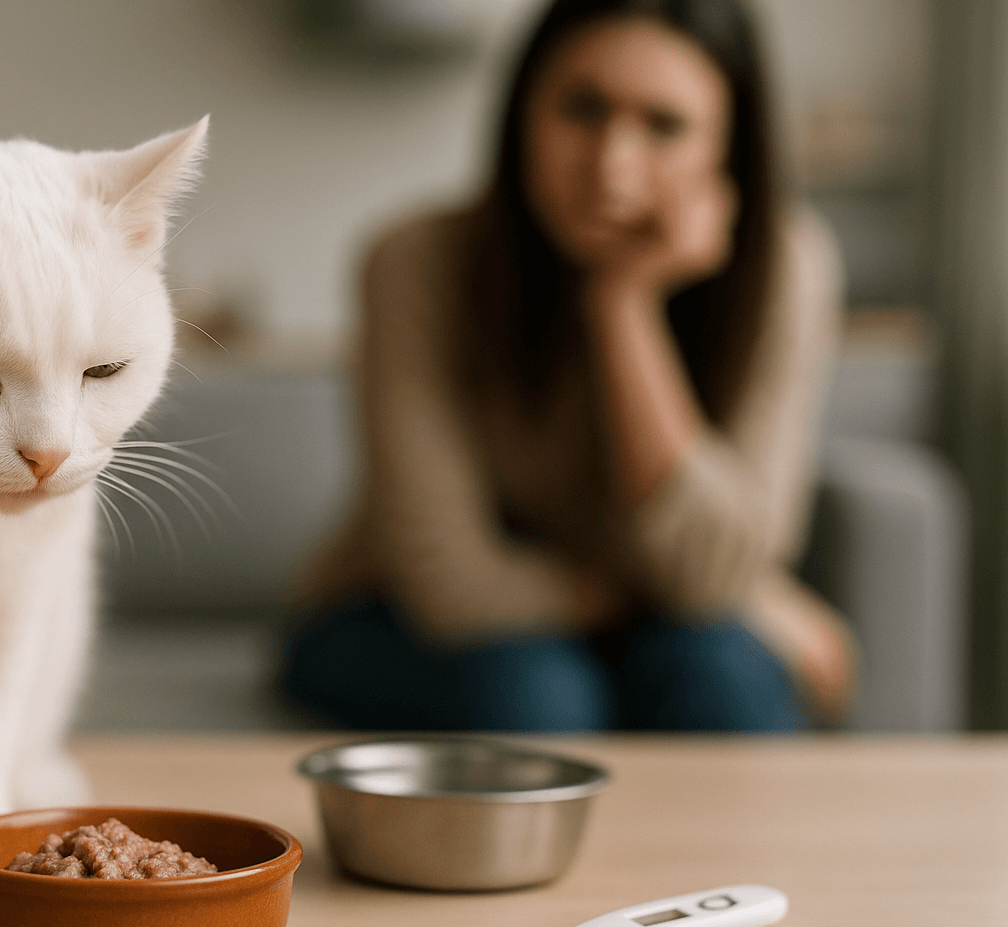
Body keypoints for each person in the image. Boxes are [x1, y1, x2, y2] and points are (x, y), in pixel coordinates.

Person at [280, 0, 853, 732]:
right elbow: (452, 585)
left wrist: (623, 305)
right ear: (523, 109)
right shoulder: (414, 261)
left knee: (719, 675)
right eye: (583, 108)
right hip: (391, 618)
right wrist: (754, 598)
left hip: (652, 623)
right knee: (538, 688)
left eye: (664, 125)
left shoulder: (788, 266)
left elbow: (709, 583)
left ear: (728, 149)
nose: (612, 164)